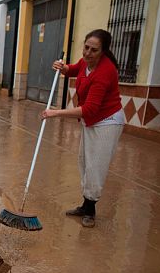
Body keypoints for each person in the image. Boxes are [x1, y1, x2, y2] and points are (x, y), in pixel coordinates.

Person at [43, 29, 124, 228]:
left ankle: (90, 210)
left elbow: (90, 109)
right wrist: (62, 68)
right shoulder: (86, 62)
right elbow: (73, 70)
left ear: (103, 51)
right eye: (86, 47)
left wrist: (56, 113)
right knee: (85, 162)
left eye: (94, 50)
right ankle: (85, 205)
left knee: (96, 166)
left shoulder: (105, 71)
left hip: (107, 122)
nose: (87, 53)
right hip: (92, 121)